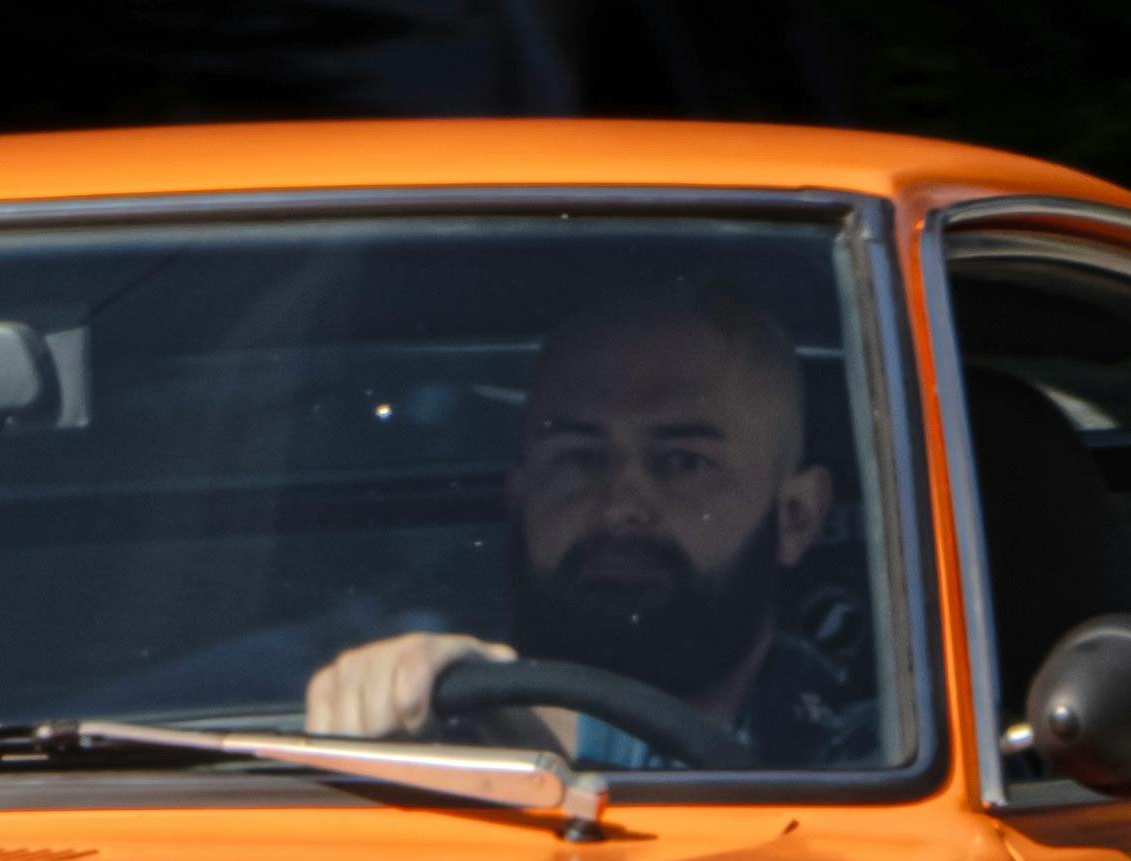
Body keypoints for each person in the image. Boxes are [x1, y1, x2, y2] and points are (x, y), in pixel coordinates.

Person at [304, 281, 879, 766]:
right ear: (521, 494)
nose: (620, 508)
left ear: (796, 517)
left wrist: (543, 725)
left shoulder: (871, 749)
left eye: (683, 463)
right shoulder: (416, 711)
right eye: (581, 458)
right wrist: (390, 694)